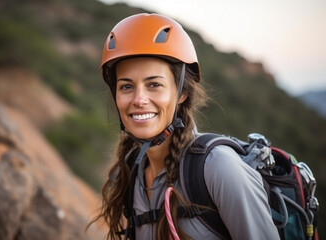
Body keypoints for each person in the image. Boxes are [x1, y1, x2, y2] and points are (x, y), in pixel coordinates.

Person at [87, 13, 280, 240]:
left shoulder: (218, 167)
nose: (139, 99)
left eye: (154, 85)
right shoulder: (131, 173)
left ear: (182, 93)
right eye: (126, 86)